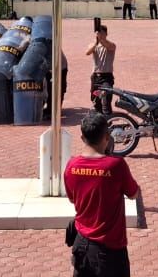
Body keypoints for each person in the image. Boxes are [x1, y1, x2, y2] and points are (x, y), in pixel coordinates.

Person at [66, 112, 140, 277]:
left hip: (82, 244)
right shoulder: (116, 165)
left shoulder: (72, 166)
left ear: (82, 138)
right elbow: (134, 193)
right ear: (107, 137)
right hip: (110, 249)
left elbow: (72, 199)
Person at [85, 25, 117, 115]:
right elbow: (87, 52)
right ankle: (99, 119)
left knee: (106, 100)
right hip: (95, 77)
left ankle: (109, 120)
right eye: (99, 33)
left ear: (106, 34)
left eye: (102, 33)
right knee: (95, 101)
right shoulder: (93, 45)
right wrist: (96, 42)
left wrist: (101, 40)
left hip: (107, 77)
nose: (100, 35)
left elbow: (108, 46)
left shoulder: (112, 45)